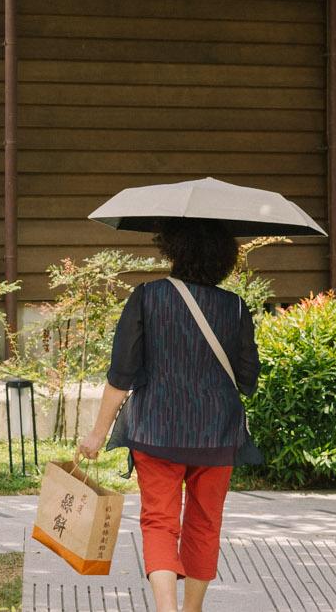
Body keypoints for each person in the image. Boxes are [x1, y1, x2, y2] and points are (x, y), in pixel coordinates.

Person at [79, 220, 258, 612]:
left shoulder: (147, 297)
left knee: (159, 521)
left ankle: (166, 610)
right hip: (217, 434)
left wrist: (96, 434)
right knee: (205, 522)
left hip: (157, 431)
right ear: (224, 259)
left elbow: (121, 374)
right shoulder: (236, 307)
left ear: (173, 250)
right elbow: (248, 379)